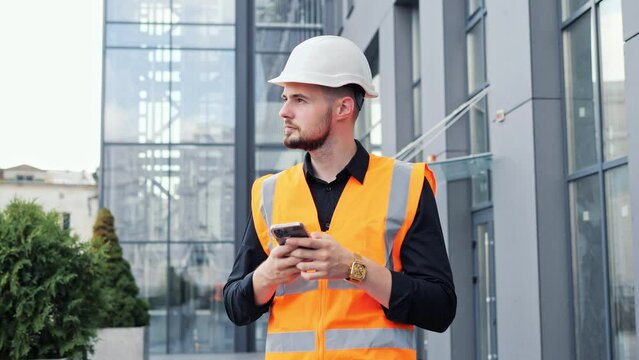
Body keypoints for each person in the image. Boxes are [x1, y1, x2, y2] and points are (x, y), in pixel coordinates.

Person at [224, 35, 456, 360]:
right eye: (285, 98)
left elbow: (439, 308)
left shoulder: (407, 183)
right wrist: (268, 275)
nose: (284, 111)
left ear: (343, 108)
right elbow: (235, 306)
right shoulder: (269, 191)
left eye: (300, 100)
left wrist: (353, 268)